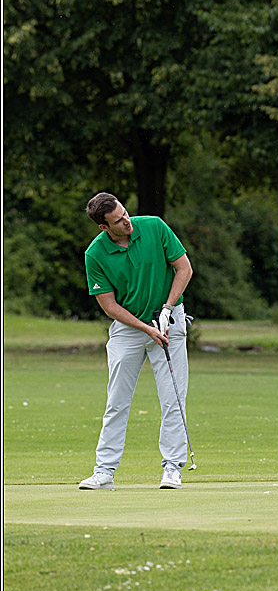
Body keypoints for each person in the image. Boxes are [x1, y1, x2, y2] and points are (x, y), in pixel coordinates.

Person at [78, 193, 194, 490]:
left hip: (168, 321)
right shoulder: (95, 254)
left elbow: (184, 269)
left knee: (173, 398)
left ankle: (172, 467)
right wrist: (145, 328)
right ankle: (104, 471)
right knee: (117, 400)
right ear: (104, 227)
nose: (126, 221)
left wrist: (168, 309)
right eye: (118, 220)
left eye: (125, 213)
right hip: (129, 328)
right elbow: (109, 306)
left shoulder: (154, 227)